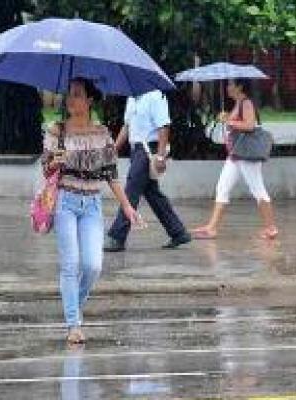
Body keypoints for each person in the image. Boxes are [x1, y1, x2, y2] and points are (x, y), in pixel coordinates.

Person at [42, 78, 139, 344]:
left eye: (77, 95)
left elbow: (111, 175)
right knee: (71, 264)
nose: (71, 100)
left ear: (89, 100)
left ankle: (74, 303)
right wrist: (54, 161)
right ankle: (73, 323)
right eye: (69, 95)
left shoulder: (102, 133)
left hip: (92, 204)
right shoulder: (56, 130)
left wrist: (128, 207)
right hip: (65, 201)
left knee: (93, 266)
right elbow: (46, 168)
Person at [104, 90, 191, 252]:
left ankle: (117, 236)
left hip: (148, 149)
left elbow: (163, 126)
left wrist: (160, 156)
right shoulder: (131, 97)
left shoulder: (155, 96)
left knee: (131, 191)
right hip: (136, 149)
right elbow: (127, 126)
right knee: (152, 194)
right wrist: (114, 149)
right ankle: (178, 232)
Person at [191, 79, 278, 240]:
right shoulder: (238, 104)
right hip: (236, 155)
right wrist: (228, 118)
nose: (228, 88)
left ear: (240, 87)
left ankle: (271, 228)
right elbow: (236, 124)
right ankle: (211, 228)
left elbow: (250, 125)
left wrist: (229, 121)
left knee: (257, 188)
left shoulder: (246, 103)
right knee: (222, 187)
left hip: (246, 155)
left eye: (231, 85)